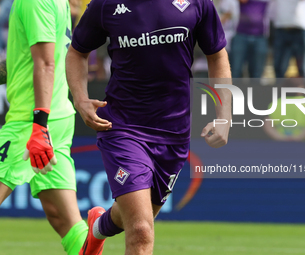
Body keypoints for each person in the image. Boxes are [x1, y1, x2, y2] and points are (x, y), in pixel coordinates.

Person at [65, 0, 232, 254]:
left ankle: (97, 229)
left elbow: (217, 54)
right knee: (141, 230)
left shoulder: (197, 3)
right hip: (122, 127)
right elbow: (77, 52)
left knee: (135, 216)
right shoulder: (106, 4)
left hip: (174, 133)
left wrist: (224, 116)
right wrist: (80, 98)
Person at [0, 1, 88, 254]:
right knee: (65, 221)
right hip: (57, 119)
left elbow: (46, 63)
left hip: (31, 122)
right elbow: (25, 61)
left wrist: (39, 126)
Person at [271, 0, 305, 80]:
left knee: (304, 70)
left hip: (302, 27)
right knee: (279, 68)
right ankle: (280, 91)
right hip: (281, 27)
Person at [230, 0, 271, 78]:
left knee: (257, 72)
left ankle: (254, 90)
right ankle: (233, 90)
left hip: (260, 36)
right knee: (236, 70)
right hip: (240, 35)